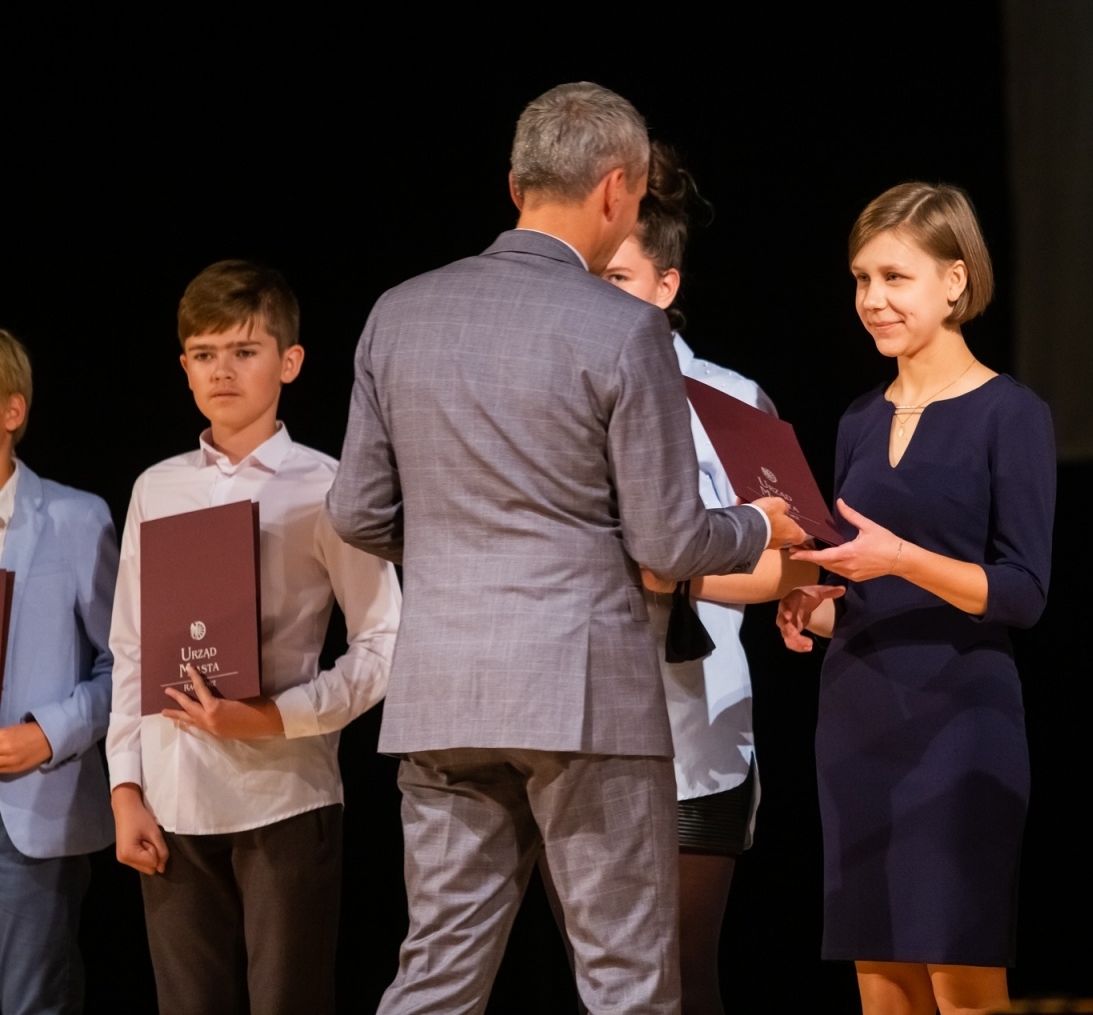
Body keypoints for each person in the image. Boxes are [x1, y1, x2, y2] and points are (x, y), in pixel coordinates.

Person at [325, 82, 804, 1015]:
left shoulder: (398, 311)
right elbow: (671, 537)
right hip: (585, 696)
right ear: (618, 190)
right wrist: (761, 527)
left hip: (447, 692)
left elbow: (356, 513)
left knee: (437, 973)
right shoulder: (624, 326)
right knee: (626, 979)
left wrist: (463, 559)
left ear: (515, 184)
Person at [777, 183, 1055, 1015]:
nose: (873, 301)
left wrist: (903, 557)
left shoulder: (1012, 413)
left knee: (959, 977)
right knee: (883, 983)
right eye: (862, 280)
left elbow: (1023, 591)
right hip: (857, 722)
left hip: (959, 725)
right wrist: (814, 606)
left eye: (895, 278)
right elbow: (862, 584)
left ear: (956, 282)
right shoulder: (859, 418)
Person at [106, 260, 402, 1015]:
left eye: (244, 351)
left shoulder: (328, 485)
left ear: (290, 361)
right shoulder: (156, 486)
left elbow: (383, 645)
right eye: (204, 355)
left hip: (285, 795)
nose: (222, 371)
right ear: (183, 368)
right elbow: (133, 647)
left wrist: (274, 716)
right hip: (173, 797)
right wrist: (125, 789)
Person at [584, 140, 819, 1015]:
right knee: (604, 987)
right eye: (590, 279)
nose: (598, 299)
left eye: (619, 280)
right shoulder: (562, 393)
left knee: (684, 980)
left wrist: (673, 578)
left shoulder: (728, 398)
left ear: (667, 288)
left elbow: (793, 556)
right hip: (583, 724)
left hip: (698, 732)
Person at [0, 330, 116, 1014]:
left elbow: (124, 665)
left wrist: (50, 732)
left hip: (27, 807)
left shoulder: (75, 519)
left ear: (11, 412)